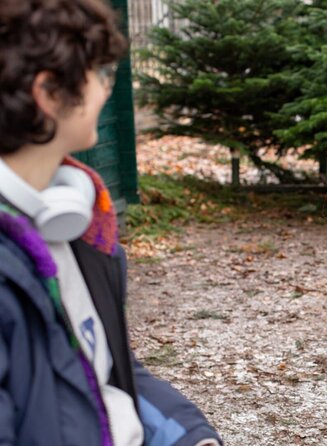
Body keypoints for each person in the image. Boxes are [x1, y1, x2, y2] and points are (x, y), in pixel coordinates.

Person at [0, 1, 222, 445]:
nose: (106, 90)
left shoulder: (80, 223)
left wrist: (189, 437)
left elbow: (105, 371)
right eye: (100, 74)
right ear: (49, 92)